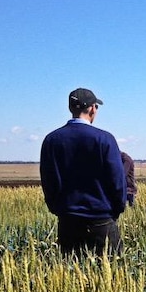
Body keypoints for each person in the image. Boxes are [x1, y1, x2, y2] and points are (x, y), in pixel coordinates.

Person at [40, 88, 126, 256]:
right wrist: (115, 210)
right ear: (93, 108)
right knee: (112, 277)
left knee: (71, 278)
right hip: (102, 221)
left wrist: (59, 210)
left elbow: (48, 182)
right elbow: (117, 181)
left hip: (68, 222)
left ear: (70, 108)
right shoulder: (104, 139)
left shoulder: (52, 140)